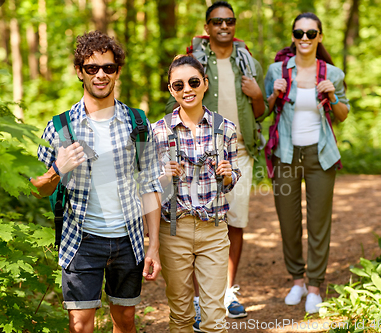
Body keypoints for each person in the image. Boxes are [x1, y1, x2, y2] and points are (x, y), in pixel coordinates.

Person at [31, 30, 162, 333]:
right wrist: (56, 171)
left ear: (117, 71)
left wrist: (152, 245)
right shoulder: (60, 126)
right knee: (80, 326)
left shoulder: (138, 123)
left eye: (109, 67)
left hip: (128, 239)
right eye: (92, 68)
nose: (101, 75)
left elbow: (151, 186)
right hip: (81, 240)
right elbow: (37, 188)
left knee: (125, 321)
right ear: (79, 72)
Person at [165, 1, 268, 324]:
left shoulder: (248, 62)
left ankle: (227, 292)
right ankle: (199, 299)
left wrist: (256, 96)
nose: (224, 26)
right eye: (217, 21)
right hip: (197, 153)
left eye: (230, 21)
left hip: (238, 152)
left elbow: (261, 113)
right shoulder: (195, 63)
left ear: (235, 25)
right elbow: (177, 100)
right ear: (207, 27)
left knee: (235, 222)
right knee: (198, 220)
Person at [264, 12, 349, 314]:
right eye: (299, 33)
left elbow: (342, 114)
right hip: (285, 155)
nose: (304, 39)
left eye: (310, 34)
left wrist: (333, 96)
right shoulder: (277, 70)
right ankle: (297, 281)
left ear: (319, 37)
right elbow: (263, 111)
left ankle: (314, 285)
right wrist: (274, 95)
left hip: (320, 155)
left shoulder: (332, 73)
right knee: (288, 222)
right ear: (293, 36)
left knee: (318, 222)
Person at [153, 54, 241, 333]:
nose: (186, 89)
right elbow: (147, 186)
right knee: (180, 314)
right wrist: (164, 176)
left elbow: (232, 176)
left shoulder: (225, 128)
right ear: (171, 90)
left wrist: (228, 174)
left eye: (193, 82)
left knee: (215, 317)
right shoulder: (157, 131)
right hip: (173, 231)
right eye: (178, 85)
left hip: (214, 230)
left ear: (205, 84)